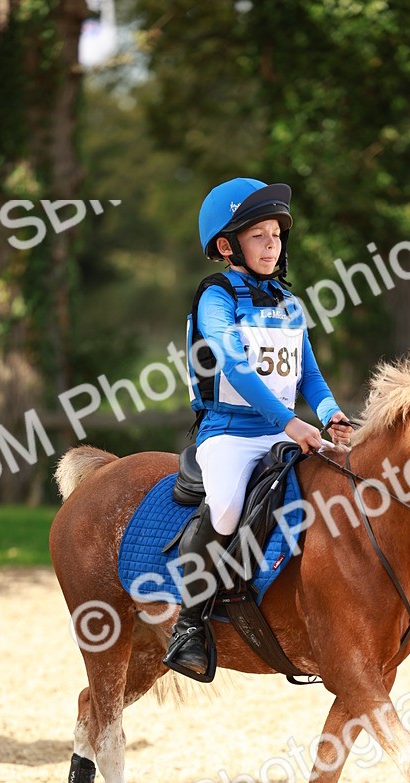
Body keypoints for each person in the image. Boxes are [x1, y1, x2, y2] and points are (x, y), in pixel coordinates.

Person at [163, 177, 352, 676]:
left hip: (284, 429)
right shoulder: (216, 298)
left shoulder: (287, 302)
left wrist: (330, 412)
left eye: (276, 236)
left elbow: (307, 372)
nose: (272, 246)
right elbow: (235, 366)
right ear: (228, 245)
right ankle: (190, 622)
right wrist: (290, 422)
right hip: (227, 434)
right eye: (259, 237)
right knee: (225, 507)